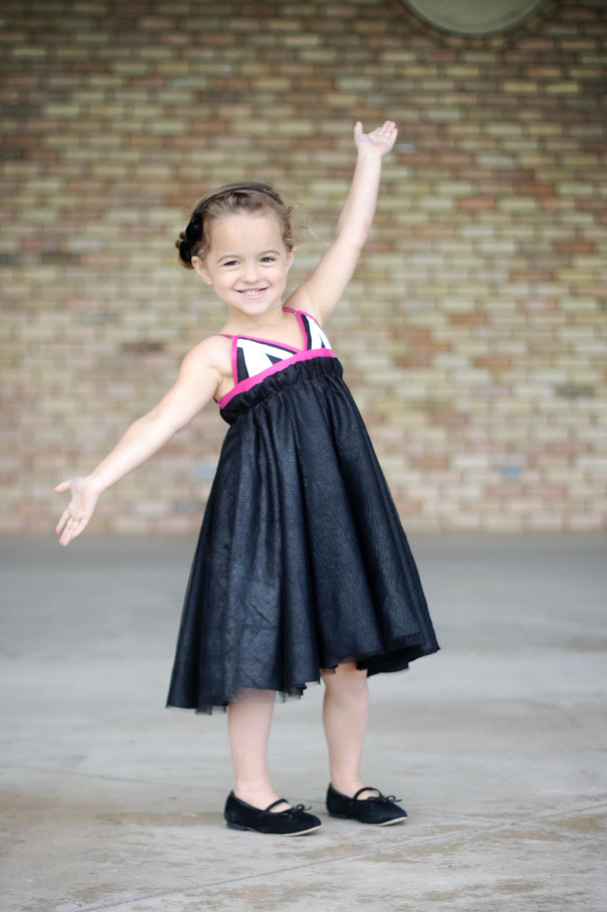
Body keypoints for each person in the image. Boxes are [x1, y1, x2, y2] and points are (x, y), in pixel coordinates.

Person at [54, 120, 440, 837]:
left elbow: (352, 238)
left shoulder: (311, 315)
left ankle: (348, 783)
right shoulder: (217, 352)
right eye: (232, 262)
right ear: (203, 270)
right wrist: (96, 479)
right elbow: (157, 421)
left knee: (349, 657)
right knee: (255, 652)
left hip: (334, 507)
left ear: (291, 256)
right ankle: (251, 791)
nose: (252, 273)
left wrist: (368, 160)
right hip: (262, 513)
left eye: (267, 256)